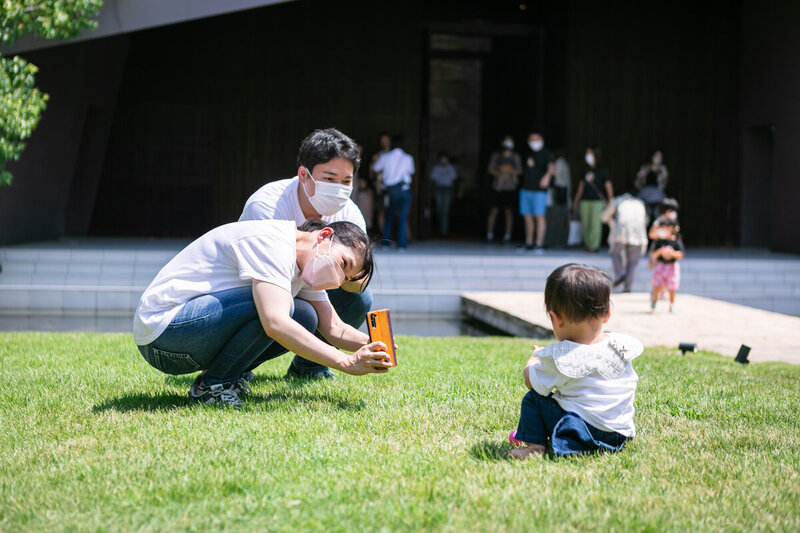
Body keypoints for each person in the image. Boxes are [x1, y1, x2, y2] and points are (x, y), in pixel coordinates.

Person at [133, 220, 393, 407]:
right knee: (280, 309)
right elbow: (275, 322)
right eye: (343, 263)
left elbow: (333, 327)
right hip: (165, 335)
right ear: (324, 236)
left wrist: (377, 345)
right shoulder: (274, 243)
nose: (337, 278)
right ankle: (212, 387)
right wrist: (346, 362)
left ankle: (226, 378)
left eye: (345, 279)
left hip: (186, 336)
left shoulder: (305, 265)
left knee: (305, 315)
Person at [239, 128, 371, 380]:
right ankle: (235, 368)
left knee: (358, 299)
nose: (339, 189)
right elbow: (260, 278)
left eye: (346, 181)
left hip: (307, 286)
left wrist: (345, 275)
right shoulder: (267, 207)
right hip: (256, 285)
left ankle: (309, 366)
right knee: (300, 313)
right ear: (303, 174)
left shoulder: (350, 214)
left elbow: (360, 278)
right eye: (329, 179)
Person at [508, 263, 643, 458]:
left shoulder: (564, 357)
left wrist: (534, 359)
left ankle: (534, 447)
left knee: (534, 399)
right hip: (618, 434)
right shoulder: (619, 347)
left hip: (581, 430)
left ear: (556, 319)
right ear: (606, 314)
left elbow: (532, 382)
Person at [373, 134, 415, 250]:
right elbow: (411, 171)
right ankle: (402, 245)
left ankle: (386, 243)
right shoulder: (408, 158)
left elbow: (375, 168)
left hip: (391, 190)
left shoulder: (385, 157)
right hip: (404, 189)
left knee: (389, 217)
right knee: (403, 217)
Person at [601, 190, 648, 292]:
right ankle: (628, 287)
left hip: (622, 232)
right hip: (639, 233)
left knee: (615, 253)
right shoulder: (640, 203)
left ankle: (619, 275)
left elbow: (604, 217)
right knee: (632, 262)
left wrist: (611, 221)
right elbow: (646, 220)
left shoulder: (617, 201)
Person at [519, 130, 554, 253]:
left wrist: (547, 176)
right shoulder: (528, 152)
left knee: (539, 216)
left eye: (536, 139)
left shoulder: (546, 153)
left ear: (541, 140)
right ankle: (529, 242)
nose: (534, 142)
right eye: (532, 139)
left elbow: (551, 166)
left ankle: (539, 244)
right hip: (526, 189)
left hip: (539, 190)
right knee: (527, 216)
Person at [572, 148, 613, 253]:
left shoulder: (603, 170)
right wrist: (576, 201)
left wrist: (610, 201)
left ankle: (594, 246)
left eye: (590, 154)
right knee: (585, 223)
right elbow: (581, 187)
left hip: (597, 201)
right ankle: (587, 244)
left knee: (595, 224)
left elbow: (608, 186)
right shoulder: (585, 170)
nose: (588, 156)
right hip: (584, 200)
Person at [486, 135, 522, 244]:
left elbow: (519, 170)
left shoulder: (515, 156)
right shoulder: (496, 155)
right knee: (494, 211)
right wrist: (500, 173)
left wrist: (509, 171)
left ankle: (507, 235)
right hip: (498, 187)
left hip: (510, 187)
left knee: (508, 212)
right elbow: (490, 169)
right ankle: (489, 234)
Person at [648, 207, 685, 313]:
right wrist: (660, 251)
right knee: (657, 285)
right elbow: (653, 255)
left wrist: (672, 253)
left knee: (672, 287)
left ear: (671, 228)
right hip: (661, 265)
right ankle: (654, 303)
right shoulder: (659, 241)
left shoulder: (676, 241)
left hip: (672, 266)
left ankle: (672, 305)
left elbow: (681, 254)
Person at [544, 149, 572, 248]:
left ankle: (555, 241)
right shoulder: (562, 162)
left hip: (558, 195)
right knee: (555, 218)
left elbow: (557, 178)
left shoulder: (559, 162)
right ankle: (555, 241)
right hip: (559, 194)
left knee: (556, 218)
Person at [430, 151, 458, 236]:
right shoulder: (436, 168)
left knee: (445, 210)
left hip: (447, 189)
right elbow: (433, 180)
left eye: (445, 158)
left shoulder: (451, 168)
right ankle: (438, 229)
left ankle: (444, 231)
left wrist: (453, 192)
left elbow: (453, 181)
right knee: (439, 209)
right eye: (442, 158)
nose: (443, 160)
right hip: (439, 188)